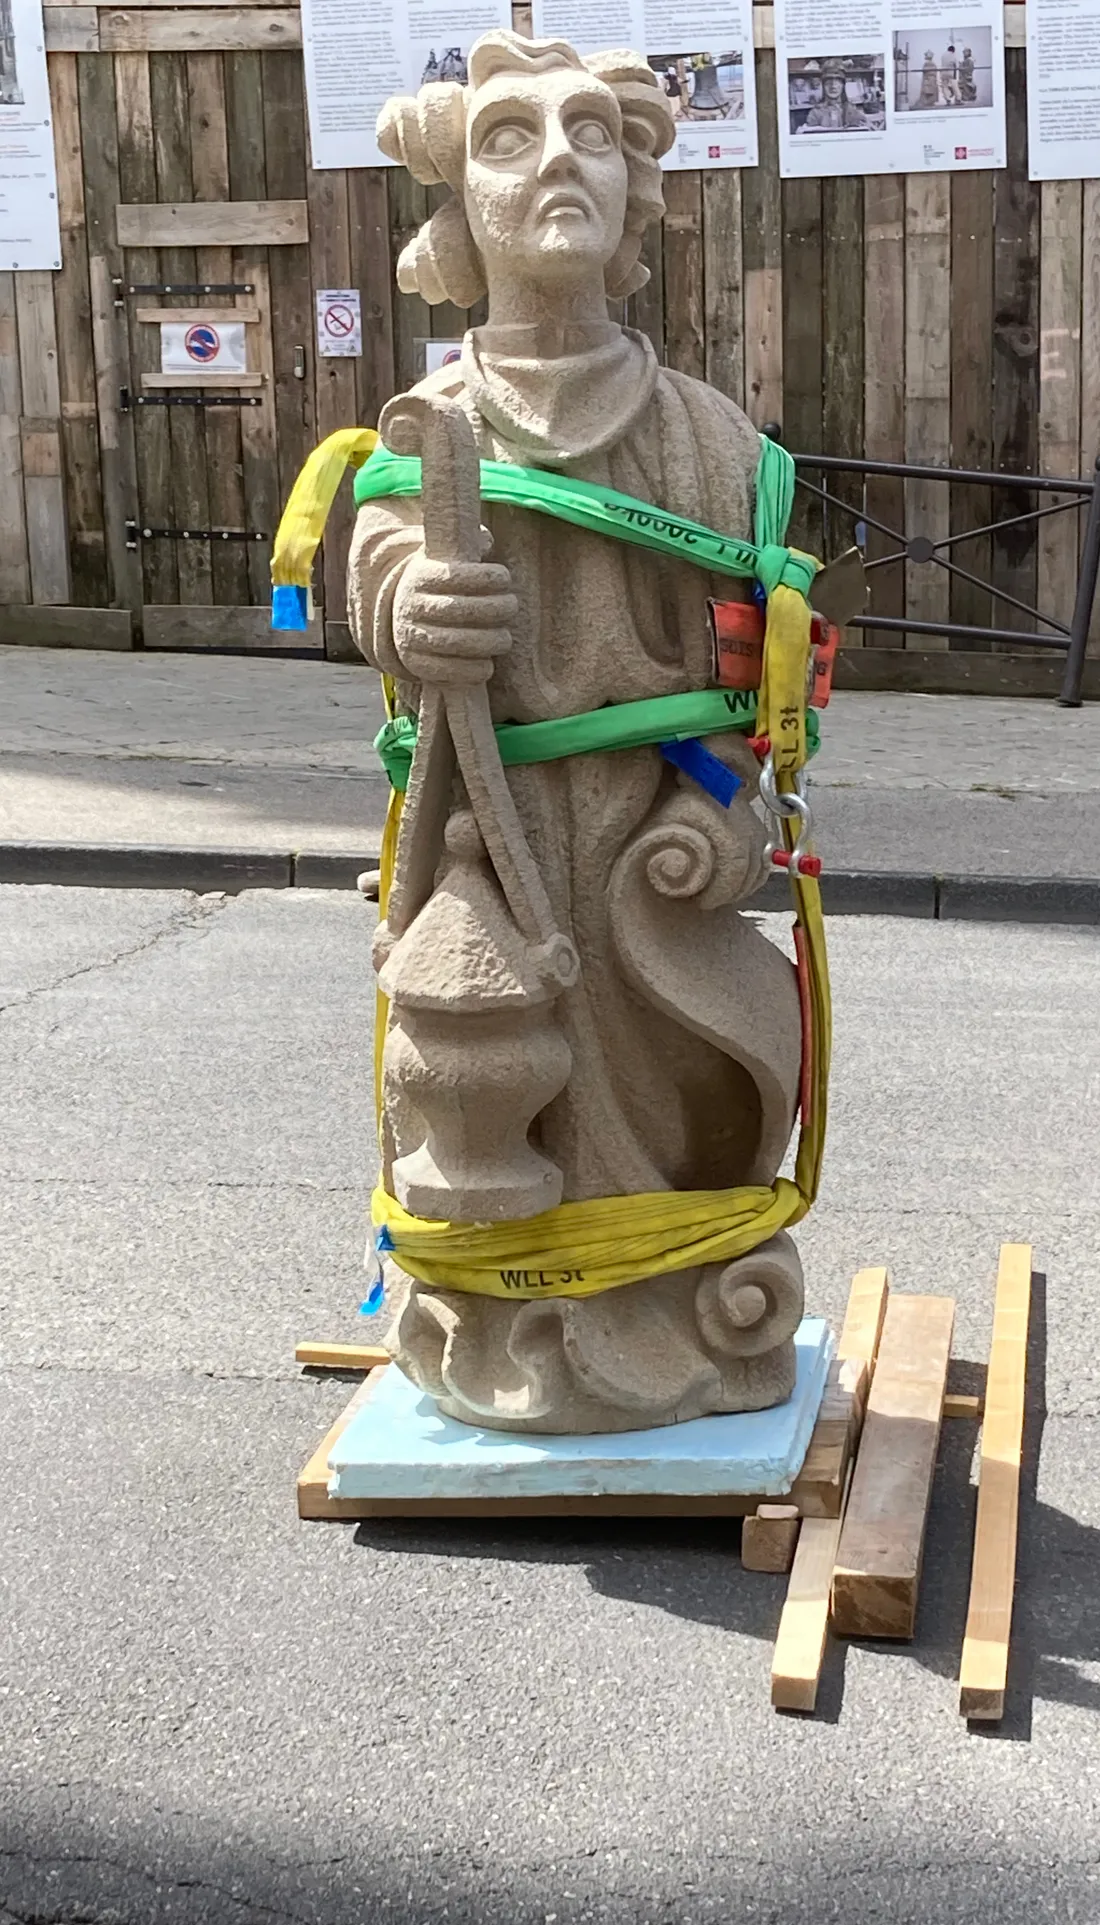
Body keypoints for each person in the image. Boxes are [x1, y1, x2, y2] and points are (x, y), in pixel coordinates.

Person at [357, 31, 806, 1430]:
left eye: (594, 136)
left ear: (636, 200)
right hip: (488, 840)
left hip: (650, 850)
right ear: (457, 207)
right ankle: (504, 1326)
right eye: (509, 136)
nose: (559, 157)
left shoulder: (712, 438)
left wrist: (720, 799)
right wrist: (409, 602)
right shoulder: (431, 426)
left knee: (682, 1092)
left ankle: (679, 1311)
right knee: (488, 1099)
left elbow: (770, 658)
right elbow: (372, 555)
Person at [798, 55, 866, 130]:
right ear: (823, 86)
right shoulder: (815, 113)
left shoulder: (852, 111)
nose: (833, 86)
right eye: (828, 82)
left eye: (838, 82)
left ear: (843, 85)